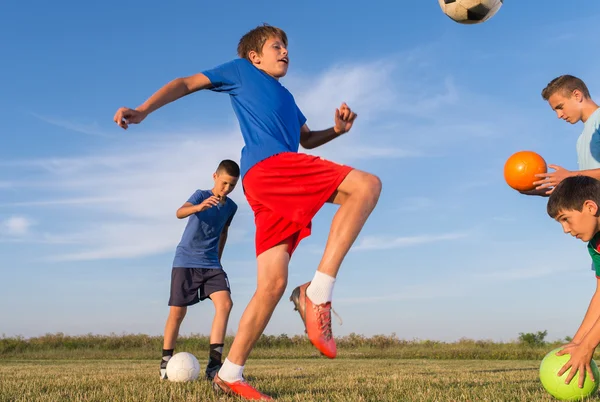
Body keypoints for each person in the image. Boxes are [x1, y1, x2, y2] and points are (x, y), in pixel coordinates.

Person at [114, 24, 381, 400]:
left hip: (267, 185)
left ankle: (230, 373)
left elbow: (305, 140)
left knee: (271, 285)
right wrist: (143, 110)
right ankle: (317, 293)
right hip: (270, 168)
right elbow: (186, 82)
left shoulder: (287, 98)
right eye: (276, 46)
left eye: (287, 47)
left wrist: (336, 131)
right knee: (367, 186)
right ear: (255, 56)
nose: (285, 51)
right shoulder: (241, 72)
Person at [160, 160, 239, 382]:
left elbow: (223, 233)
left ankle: (214, 366)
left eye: (232, 186)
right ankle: (166, 362)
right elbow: (179, 212)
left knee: (225, 304)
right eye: (224, 183)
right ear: (215, 176)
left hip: (212, 264)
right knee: (178, 313)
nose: (226, 189)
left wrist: (219, 260)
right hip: (185, 261)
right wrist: (199, 207)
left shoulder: (231, 207)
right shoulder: (200, 194)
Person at [546, 175, 600, 388]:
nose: (566, 230)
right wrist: (577, 343)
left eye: (566, 219)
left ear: (590, 207)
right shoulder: (595, 244)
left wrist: (587, 347)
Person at [523, 75, 600, 196]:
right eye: (555, 111)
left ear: (577, 95)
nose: (559, 115)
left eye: (560, 107)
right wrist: (547, 190)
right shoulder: (581, 139)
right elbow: (590, 185)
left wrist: (570, 175)